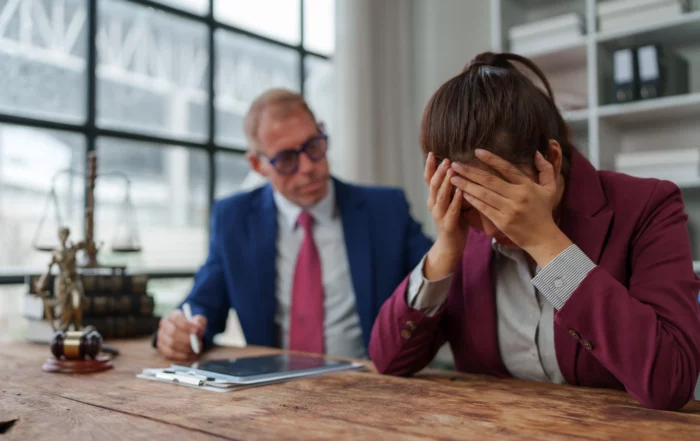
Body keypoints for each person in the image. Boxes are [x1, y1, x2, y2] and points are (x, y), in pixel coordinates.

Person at [368, 52, 700, 410]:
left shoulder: (648, 206)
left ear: (552, 161)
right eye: (470, 207)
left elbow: (671, 380)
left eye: (502, 202)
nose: (491, 227)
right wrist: (445, 249)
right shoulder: (462, 233)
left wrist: (547, 244)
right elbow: (389, 361)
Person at [156, 88, 432, 360]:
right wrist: (177, 330)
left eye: (313, 146)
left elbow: (442, 280)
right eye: (287, 159)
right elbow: (202, 306)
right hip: (273, 390)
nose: (308, 167)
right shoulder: (234, 219)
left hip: (370, 386)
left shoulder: (386, 211)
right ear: (257, 164)